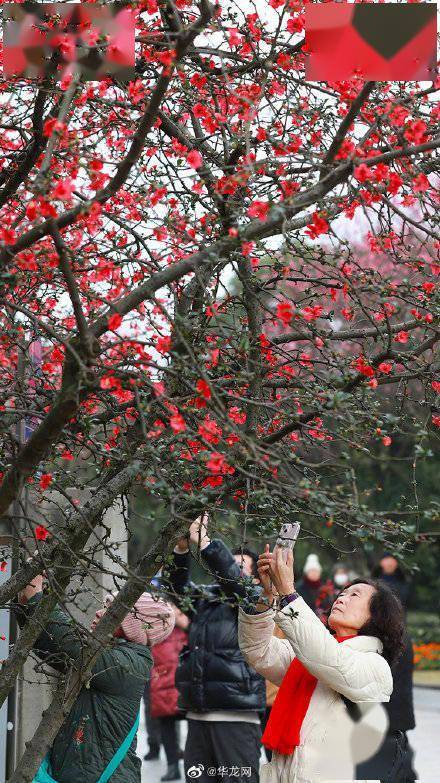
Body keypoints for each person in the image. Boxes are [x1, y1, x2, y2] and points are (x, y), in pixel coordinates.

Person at [238, 545, 405, 783]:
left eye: (354, 595)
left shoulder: (375, 666)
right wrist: (268, 597)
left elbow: (328, 659)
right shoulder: (307, 656)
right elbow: (257, 650)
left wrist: (287, 591)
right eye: (342, 593)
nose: (341, 598)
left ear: (376, 615)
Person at [15, 574, 175, 783]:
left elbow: (72, 646)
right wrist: (25, 604)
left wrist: (38, 598)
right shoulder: (112, 655)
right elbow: (53, 648)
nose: (99, 613)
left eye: (111, 612)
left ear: (133, 626)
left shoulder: (130, 664)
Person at [165, 513, 265, 783]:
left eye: (240, 566)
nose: (231, 569)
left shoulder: (255, 599)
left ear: (254, 579)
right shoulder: (207, 600)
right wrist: (182, 550)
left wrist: (207, 544)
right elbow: (176, 589)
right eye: (230, 564)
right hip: (198, 715)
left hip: (236, 718)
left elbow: (235, 582)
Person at [150, 603, 189, 781]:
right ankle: (173, 766)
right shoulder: (156, 624)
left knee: (195, 723)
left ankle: (191, 763)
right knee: (166, 723)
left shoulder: (186, 620)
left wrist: (182, 620)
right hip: (164, 678)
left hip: (184, 679)